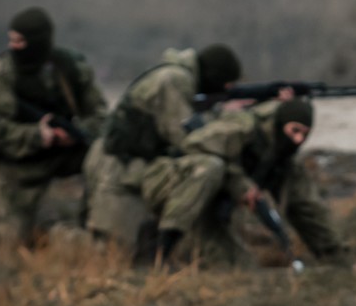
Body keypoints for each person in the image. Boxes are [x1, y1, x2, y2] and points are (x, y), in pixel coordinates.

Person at [137, 96, 350, 269]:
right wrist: (240, 184)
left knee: (240, 267)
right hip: (167, 183)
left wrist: (337, 256)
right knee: (211, 165)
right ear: (281, 124)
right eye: (295, 131)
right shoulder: (241, 128)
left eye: (305, 135)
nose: (298, 140)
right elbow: (193, 146)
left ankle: (173, 249)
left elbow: (307, 207)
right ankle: (159, 251)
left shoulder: (282, 159)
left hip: (205, 210)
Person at [82, 43, 243, 252]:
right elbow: (189, 139)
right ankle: (54, 235)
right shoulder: (174, 80)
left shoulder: (176, 78)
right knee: (107, 252)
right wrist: (229, 121)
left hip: (137, 168)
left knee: (124, 253)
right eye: (226, 85)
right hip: (118, 171)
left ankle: (161, 248)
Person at [0, 6, 108, 243]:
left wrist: (77, 133)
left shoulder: (70, 67)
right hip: (15, 160)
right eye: (11, 40)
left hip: (63, 153)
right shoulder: (0, 73)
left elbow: (101, 116)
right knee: (11, 239)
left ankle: (94, 223)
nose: (14, 46)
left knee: (105, 156)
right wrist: (35, 135)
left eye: (20, 41)